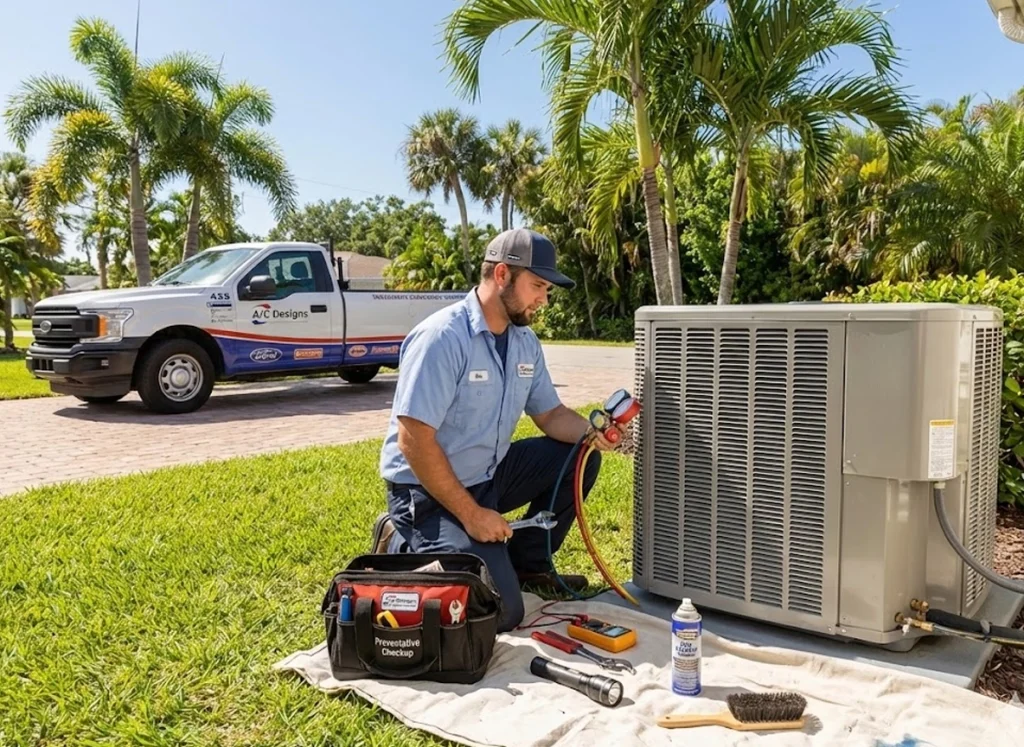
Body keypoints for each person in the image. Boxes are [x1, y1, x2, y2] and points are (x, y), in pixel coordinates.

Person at [373, 228, 620, 632]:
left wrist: (596, 436)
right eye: (538, 285)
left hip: (489, 477)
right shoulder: (442, 337)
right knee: (500, 612)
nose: (544, 298)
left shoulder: (524, 342)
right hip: (426, 493)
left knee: (579, 457)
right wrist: (471, 515)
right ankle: (399, 538)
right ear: (502, 274)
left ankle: (529, 565)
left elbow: (551, 414)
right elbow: (413, 439)